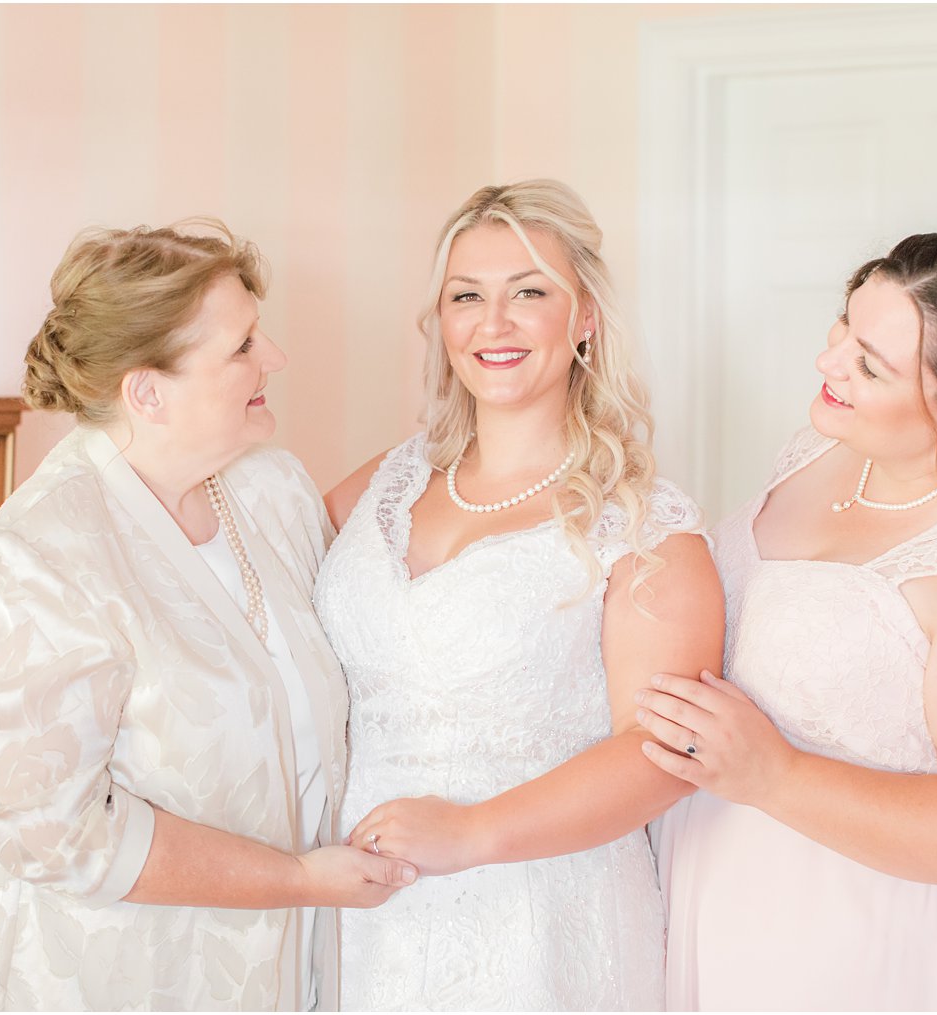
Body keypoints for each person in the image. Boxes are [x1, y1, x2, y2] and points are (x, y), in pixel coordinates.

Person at [0, 221, 415, 1012]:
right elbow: (60, 835)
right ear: (146, 391)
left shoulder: (269, 489)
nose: (274, 358)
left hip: (287, 966)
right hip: (125, 976)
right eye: (244, 345)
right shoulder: (34, 568)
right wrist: (293, 879)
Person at [639, 225, 937, 1011]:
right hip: (724, 892)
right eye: (845, 328)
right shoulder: (832, 443)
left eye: (870, 364)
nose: (831, 364)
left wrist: (776, 773)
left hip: (871, 944)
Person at [313, 180, 724, 1010]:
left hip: (539, 915)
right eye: (467, 296)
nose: (492, 324)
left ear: (583, 319)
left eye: (528, 292)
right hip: (358, 900)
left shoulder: (644, 526)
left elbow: (667, 753)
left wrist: (471, 833)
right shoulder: (386, 480)